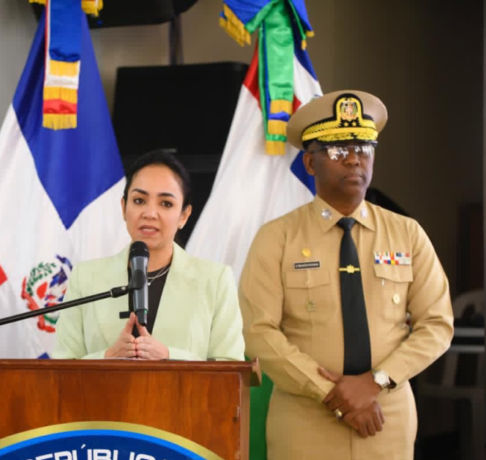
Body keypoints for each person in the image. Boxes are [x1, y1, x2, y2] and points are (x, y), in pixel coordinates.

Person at [238, 91, 454, 460]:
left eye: (364, 148)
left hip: (386, 417)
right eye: (338, 150)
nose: (354, 159)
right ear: (310, 163)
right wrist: (331, 393)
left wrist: (375, 382)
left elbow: (437, 324)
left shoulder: (407, 233)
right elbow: (259, 332)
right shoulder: (277, 238)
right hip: (305, 419)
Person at [52, 150, 244, 361]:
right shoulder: (85, 277)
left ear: (184, 216)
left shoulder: (215, 280)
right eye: (139, 200)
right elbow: (62, 364)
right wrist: (107, 357)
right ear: (124, 207)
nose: (150, 213)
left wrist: (169, 356)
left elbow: (231, 366)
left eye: (166, 203)